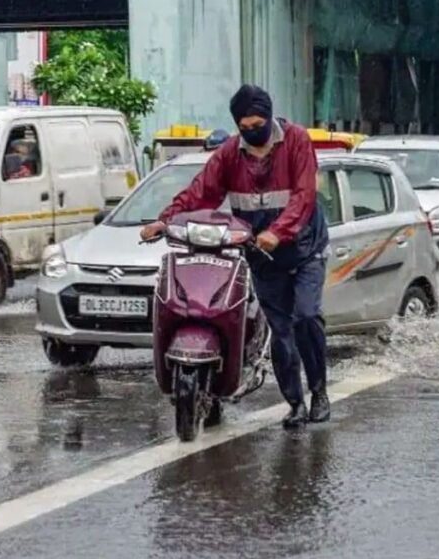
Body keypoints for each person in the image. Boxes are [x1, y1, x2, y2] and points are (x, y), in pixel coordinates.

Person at [141, 84, 330, 429]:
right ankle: (295, 403)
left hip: (305, 249)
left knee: (306, 316)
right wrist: (165, 220)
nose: (251, 132)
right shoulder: (230, 153)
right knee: (281, 332)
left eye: (257, 124)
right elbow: (201, 192)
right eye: (244, 127)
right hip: (261, 253)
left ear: (270, 118)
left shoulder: (296, 141)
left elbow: (304, 197)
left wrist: (279, 231)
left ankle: (319, 391)